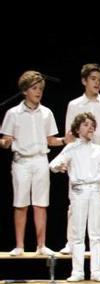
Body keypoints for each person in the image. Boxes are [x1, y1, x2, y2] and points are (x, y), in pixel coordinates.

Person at [0, 70, 66, 256]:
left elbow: (51, 140)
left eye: (40, 89)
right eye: (34, 88)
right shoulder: (13, 113)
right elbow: (6, 140)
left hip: (40, 160)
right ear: (24, 91)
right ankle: (19, 245)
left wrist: (64, 140)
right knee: (21, 203)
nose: (38, 92)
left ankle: (41, 245)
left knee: (40, 203)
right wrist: (5, 142)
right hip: (21, 162)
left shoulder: (46, 113)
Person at [59, 63, 100, 256]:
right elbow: (70, 135)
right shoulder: (75, 105)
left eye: (99, 80)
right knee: (74, 204)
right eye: (93, 79)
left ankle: (97, 244)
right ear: (84, 81)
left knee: (99, 204)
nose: (97, 83)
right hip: (79, 161)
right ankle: (72, 242)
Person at [49, 112, 100, 281]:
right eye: (86, 124)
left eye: (92, 125)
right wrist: (59, 166)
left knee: (96, 233)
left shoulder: (97, 149)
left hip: (95, 191)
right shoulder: (71, 147)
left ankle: (96, 271)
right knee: (77, 234)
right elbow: (53, 164)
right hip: (78, 192)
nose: (90, 127)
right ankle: (77, 271)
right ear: (77, 129)